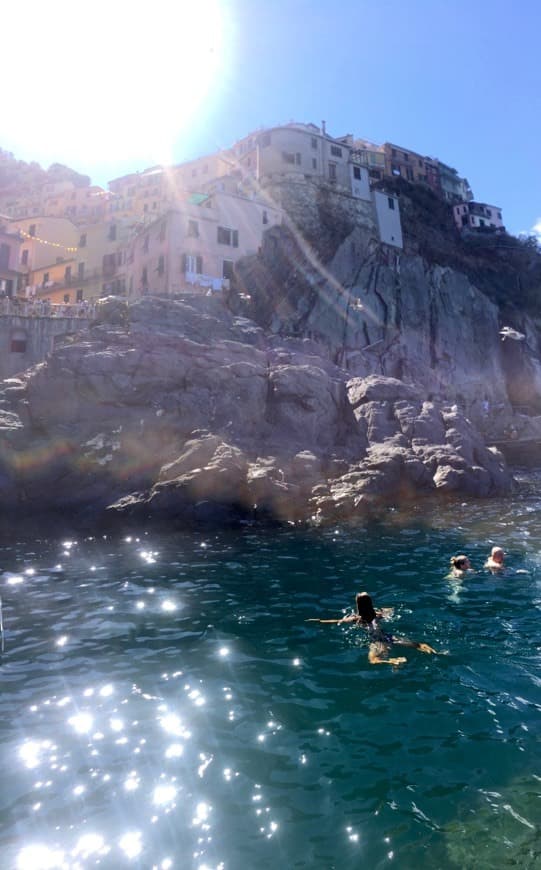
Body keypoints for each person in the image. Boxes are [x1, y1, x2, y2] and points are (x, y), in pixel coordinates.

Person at [339, 592, 438, 666]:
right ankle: (435, 652)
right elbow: (390, 610)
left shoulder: (357, 619)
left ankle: (393, 661)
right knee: (418, 645)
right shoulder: (378, 615)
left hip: (377, 642)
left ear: (358, 606)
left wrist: (327, 621)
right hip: (388, 637)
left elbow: (338, 621)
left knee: (373, 660)